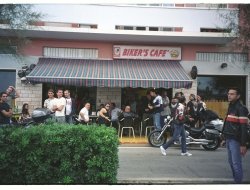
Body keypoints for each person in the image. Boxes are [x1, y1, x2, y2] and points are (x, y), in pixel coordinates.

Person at [222, 87, 248, 183]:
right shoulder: (231, 106)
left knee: (236, 163)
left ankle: (238, 184)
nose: (229, 95)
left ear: (238, 96)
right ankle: (236, 181)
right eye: (228, 93)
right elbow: (227, 123)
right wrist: (224, 138)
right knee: (231, 162)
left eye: (232, 94)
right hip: (229, 138)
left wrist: (243, 144)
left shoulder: (241, 108)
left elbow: (243, 128)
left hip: (236, 140)